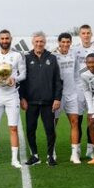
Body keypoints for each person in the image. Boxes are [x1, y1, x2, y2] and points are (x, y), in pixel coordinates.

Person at [20, 31, 62, 166]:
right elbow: (22, 80)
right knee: (30, 129)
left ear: (45, 43)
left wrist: (57, 98)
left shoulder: (52, 58)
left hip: (48, 102)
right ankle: (35, 155)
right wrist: (22, 98)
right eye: (37, 41)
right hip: (31, 101)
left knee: (50, 130)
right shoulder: (26, 58)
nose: (39, 44)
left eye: (41, 42)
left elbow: (58, 80)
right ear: (33, 42)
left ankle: (50, 156)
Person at [0, 29, 26, 168]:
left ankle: (14, 159)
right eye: (2, 39)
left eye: (7, 38)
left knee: (13, 127)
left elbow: (23, 74)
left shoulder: (17, 56)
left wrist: (14, 79)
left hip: (11, 95)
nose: (4, 41)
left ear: (11, 39)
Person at [71, 25, 94, 158]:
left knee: (92, 119)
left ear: (91, 34)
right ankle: (78, 148)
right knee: (78, 119)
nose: (86, 35)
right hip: (79, 89)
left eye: (88, 33)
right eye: (83, 33)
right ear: (80, 35)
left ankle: (90, 149)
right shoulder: (74, 49)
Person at [53, 33, 80, 163]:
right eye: (63, 42)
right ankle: (51, 151)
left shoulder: (74, 53)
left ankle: (74, 154)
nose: (65, 44)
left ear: (71, 42)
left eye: (67, 42)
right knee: (53, 123)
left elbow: (76, 73)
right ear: (59, 42)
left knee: (75, 122)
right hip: (57, 95)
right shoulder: (53, 55)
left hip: (72, 93)